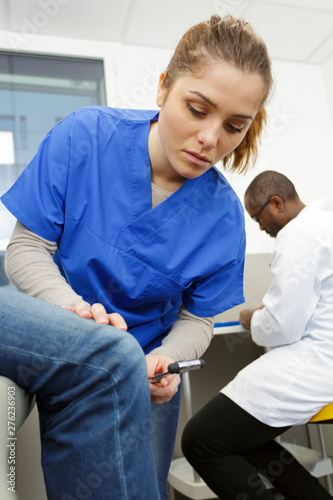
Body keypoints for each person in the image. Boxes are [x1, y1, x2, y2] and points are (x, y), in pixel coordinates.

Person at [1, 15, 273, 498]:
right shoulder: (86, 136)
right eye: (196, 109)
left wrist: (165, 358)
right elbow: (27, 248)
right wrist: (75, 314)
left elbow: (198, 321)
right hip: (60, 332)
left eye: (234, 126)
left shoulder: (224, 218)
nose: (211, 139)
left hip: (143, 375)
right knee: (111, 354)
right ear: (163, 87)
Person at [182, 170, 333, 499]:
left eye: (259, 217)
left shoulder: (299, 234)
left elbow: (282, 327)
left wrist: (253, 317)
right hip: (324, 362)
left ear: (276, 202)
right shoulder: (326, 224)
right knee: (245, 435)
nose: (261, 227)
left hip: (315, 365)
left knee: (201, 440)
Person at [0, 287, 160, 500]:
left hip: (155, 340)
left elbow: (197, 316)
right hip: (79, 307)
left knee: (113, 357)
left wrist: (171, 353)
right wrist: (77, 310)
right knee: (111, 359)